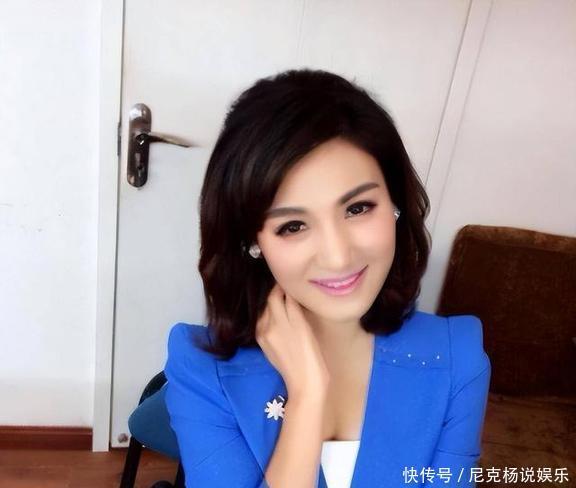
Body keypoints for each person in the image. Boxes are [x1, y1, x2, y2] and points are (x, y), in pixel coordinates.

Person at [163, 68, 491, 488]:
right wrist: (306, 396)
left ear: (396, 202)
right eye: (293, 226)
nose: (337, 257)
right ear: (252, 241)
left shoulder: (458, 358)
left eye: (358, 208)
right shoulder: (200, 368)